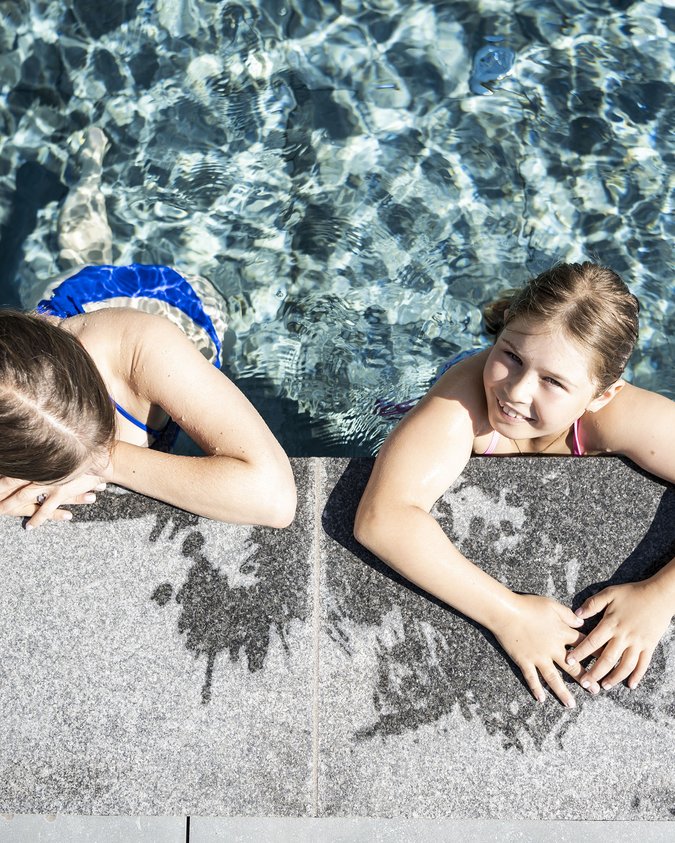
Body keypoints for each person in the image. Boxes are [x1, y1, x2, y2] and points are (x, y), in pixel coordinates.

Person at [355, 262, 674, 707]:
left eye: (553, 382)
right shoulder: (463, 400)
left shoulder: (620, 417)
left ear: (601, 395)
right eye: (510, 356)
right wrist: (510, 614)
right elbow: (382, 518)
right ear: (502, 334)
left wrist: (661, 595)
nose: (516, 393)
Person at [0, 128, 296, 530]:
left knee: (83, 255)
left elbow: (273, 499)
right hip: (38, 345)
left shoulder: (143, 346)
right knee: (79, 253)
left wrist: (102, 460)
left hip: (164, 309)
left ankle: (88, 173)